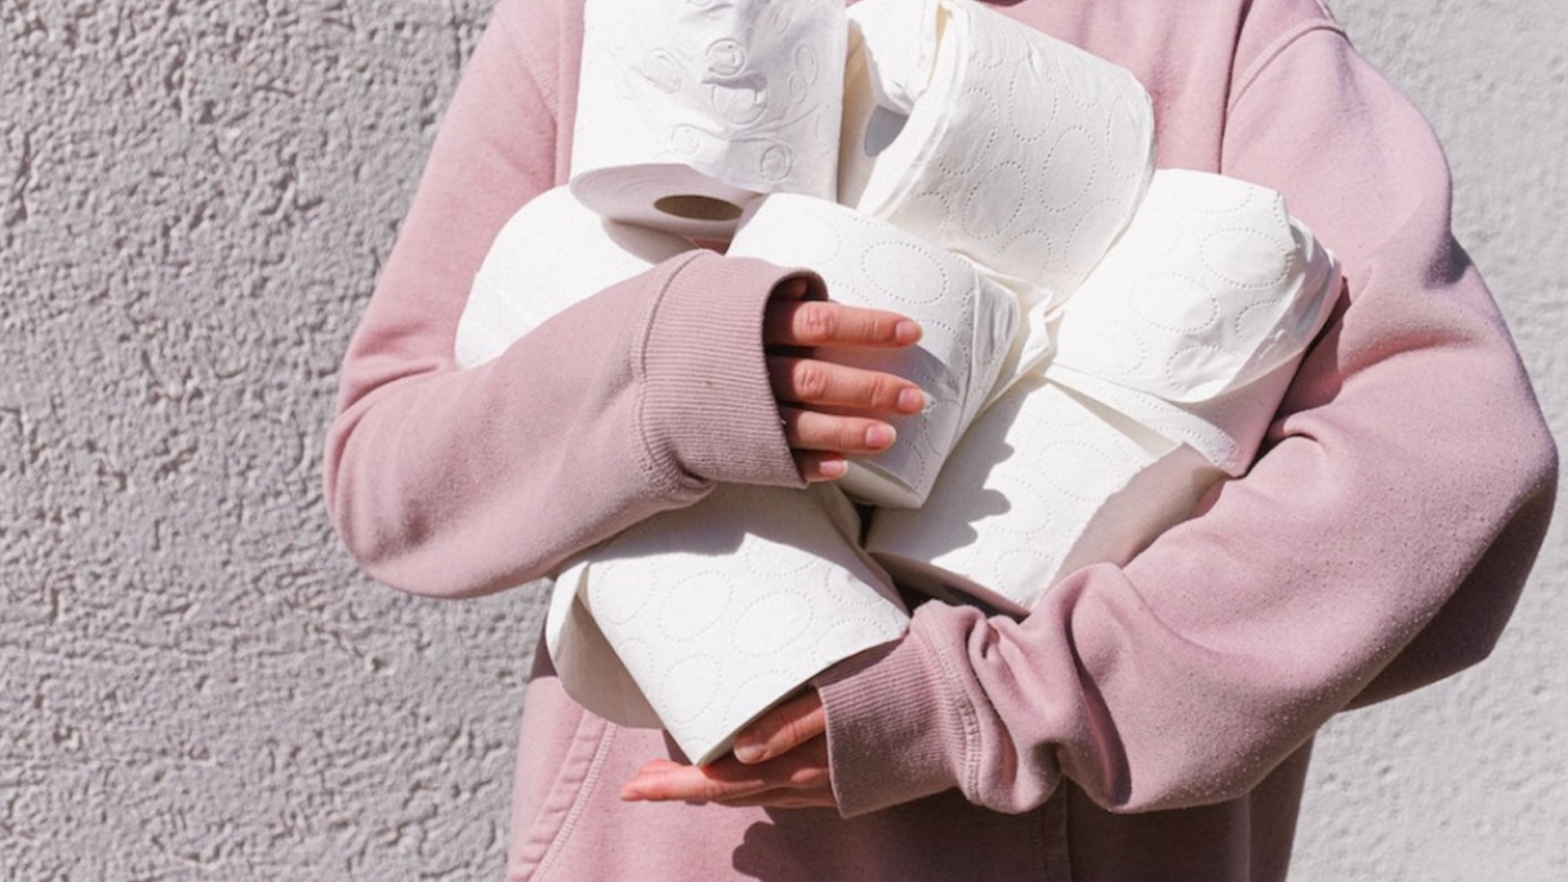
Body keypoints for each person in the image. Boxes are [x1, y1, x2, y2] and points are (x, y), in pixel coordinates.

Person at [323, 0, 1558, 879]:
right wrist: (677, 373)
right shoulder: (625, 23)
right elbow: (391, 474)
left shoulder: (1217, 33)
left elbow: (1444, 456)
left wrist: (991, 701)